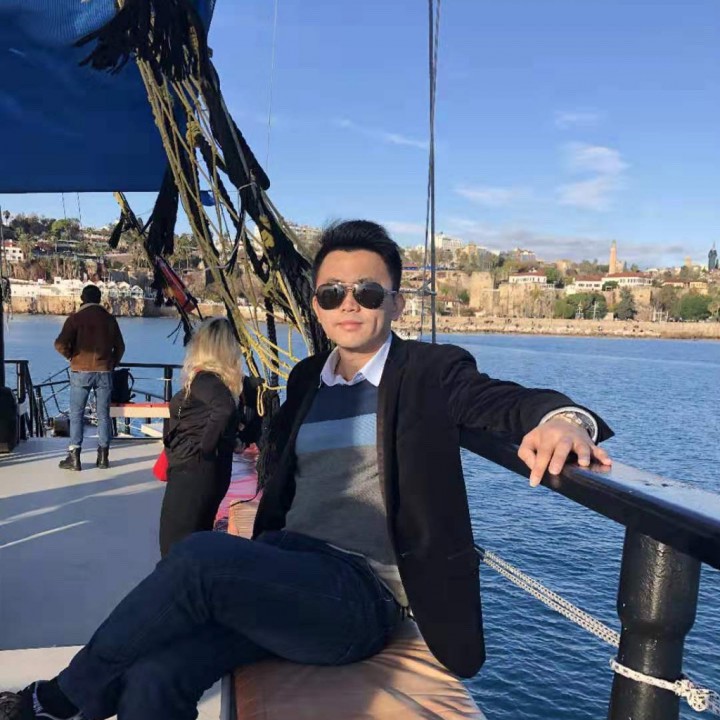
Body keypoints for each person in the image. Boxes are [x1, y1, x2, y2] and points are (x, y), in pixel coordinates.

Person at [0, 220, 612, 720]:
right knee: (156, 677)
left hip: (360, 597)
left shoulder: (428, 373)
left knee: (197, 557)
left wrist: (564, 420)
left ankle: (57, 700)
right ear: (316, 305)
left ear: (396, 302)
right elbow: (286, 473)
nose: (350, 305)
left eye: (368, 292)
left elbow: (506, 402)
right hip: (286, 568)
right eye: (332, 293)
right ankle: (83, 695)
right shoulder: (306, 378)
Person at [159, 317, 243, 557]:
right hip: (203, 473)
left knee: (174, 545)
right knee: (194, 543)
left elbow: (223, 409)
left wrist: (205, 448)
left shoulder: (205, 379)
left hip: (192, 473)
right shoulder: (219, 382)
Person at [53, 283, 125, 472]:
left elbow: (59, 344)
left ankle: (74, 457)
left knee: (76, 414)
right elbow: (120, 347)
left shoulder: (75, 319)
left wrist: (71, 356)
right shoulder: (109, 319)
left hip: (81, 371)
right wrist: (111, 363)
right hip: (104, 372)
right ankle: (103, 457)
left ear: (82, 299)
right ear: (99, 299)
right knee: (103, 415)